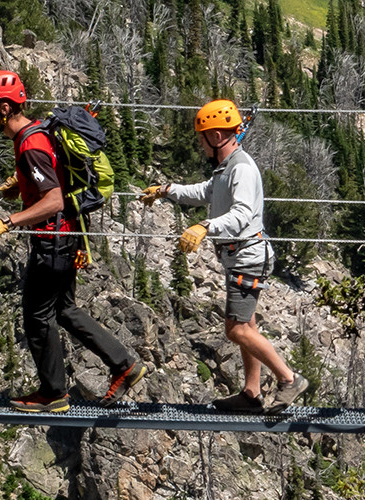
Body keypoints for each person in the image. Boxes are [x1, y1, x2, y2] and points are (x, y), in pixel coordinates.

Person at [0, 70, 147, 412]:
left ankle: (53, 393)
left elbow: (53, 200)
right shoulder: (37, 131)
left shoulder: (29, 144)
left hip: (52, 241)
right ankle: (125, 365)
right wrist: (22, 183)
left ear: (4, 108)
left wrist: (5, 223)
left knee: (37, 316)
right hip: (66, 237)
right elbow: (56, 178)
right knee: (65, 309)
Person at [138, 99, 309, 415]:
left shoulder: (240, 168)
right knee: (248, 326)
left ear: (216, 136)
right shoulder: (227, 168)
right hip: (242, 256)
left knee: (236, 330)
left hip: (247, 257)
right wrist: (167, 190)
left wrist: (205, 225)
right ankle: (251, 392)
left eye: (202, 136)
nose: (200, 143)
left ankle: (289, 379)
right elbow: (206, 192)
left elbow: (242, 214)